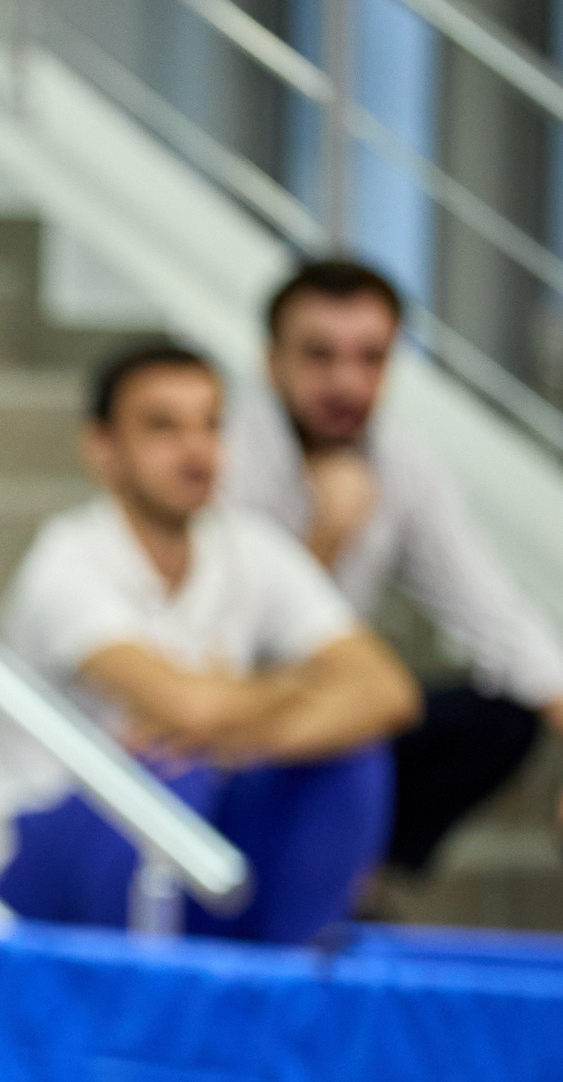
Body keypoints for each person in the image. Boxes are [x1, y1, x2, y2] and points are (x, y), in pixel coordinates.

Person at [0, 341, 421, 941]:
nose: (196, 450)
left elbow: (388, 691)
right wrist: (283, 694)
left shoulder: (249, 545)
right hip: (39, 851)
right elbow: (190, 708)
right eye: (163, 427)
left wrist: (230, 732)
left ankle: (285, 982)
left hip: (186, 836)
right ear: (103, 449)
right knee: (165, 776)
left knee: (350, 757)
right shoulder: (66, 560)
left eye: (210, 424)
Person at [223, 258, 563, 873]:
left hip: (344, 713)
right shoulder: (220, 457)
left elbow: (488, 609)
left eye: (370, 358)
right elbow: (224, 654)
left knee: (504, 715)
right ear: (272, 361)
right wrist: (325, 538)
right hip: (243, 716)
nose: (346, 383)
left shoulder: (402, 462)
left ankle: (361, 875)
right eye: (320, 356)